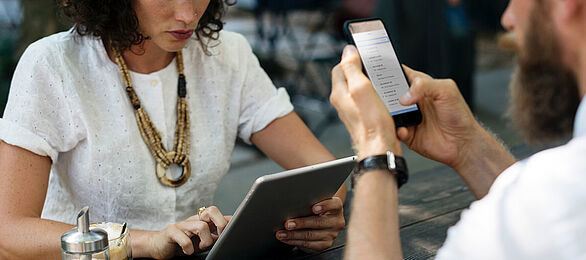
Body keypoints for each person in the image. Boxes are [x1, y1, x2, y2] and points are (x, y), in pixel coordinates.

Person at [0, 0, 346, 259]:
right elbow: (9, 231)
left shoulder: (228, 55)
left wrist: (321, 216)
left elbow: (326, 173)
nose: (187, 14)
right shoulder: (53, 64)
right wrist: (145, 241)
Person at [331, 0, 586, 258]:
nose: (508, 19)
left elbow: (548, 218)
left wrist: (376, 151)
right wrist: (467, 146)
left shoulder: (567, 196)